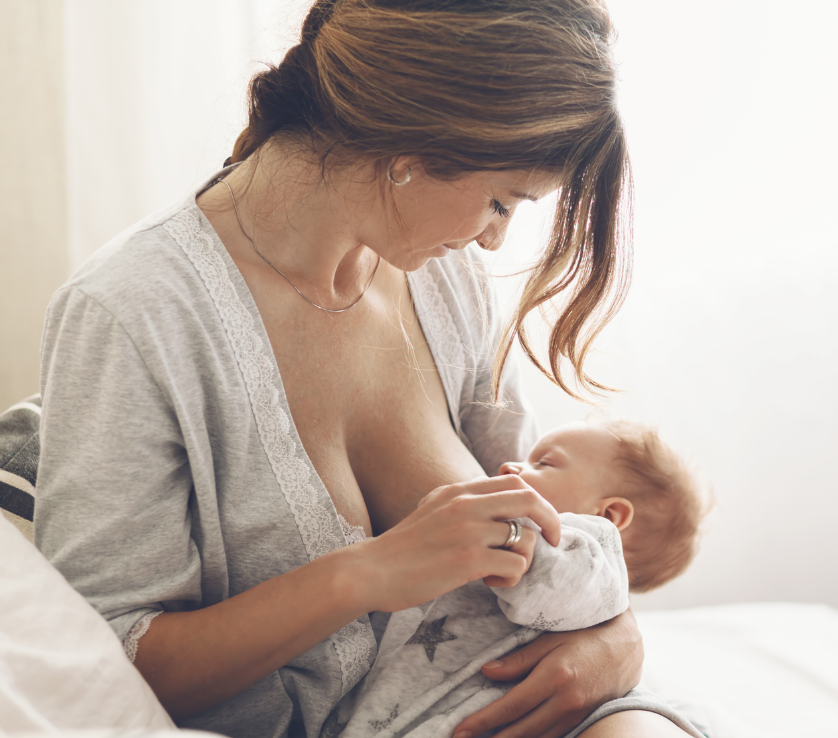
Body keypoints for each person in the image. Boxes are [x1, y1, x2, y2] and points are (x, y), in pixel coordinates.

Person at [34, 1, 702, 736]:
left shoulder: (446, 286)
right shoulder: (134, 314)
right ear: (411, 148)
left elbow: (554, 541)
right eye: (500, 202)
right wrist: (369, 575)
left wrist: (616, 639)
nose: (491, 241)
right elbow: (109, 661)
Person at [340, 419, 708, 738]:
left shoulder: (594, 554)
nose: (508, 465)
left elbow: (557, 584)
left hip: (478, 712)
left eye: (544, 462)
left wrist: (508, 543)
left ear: (609, 515)